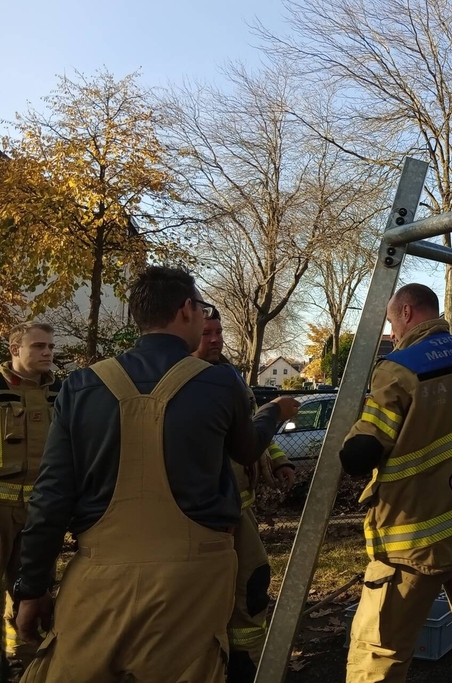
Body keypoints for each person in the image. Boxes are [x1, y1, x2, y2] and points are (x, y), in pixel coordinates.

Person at [12, 266, 300, 683]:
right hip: (193, 583)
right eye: (201, 309)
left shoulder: (80, 386)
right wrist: (272, 414)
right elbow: (246, 450)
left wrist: (33, 586)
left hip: (98, 578)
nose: (204, 320)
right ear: (186, 309)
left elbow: (51, 495)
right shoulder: (221, 383)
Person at [339, 283, 452, 683]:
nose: (391, 333)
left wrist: (352, 436)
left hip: (410, 538)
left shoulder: (398, 368)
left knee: (378, 652)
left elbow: (363, 451)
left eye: (391, 321)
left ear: (406, 313)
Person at [191, 307, 296, 683]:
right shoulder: (185, 386)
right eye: (207, 333)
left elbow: (253, 434)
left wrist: (280, 461)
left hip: (241, 513)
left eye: (219, 331)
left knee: (251, 588)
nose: (216, 338)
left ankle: (246, 666)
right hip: (205, 520)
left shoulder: (230, 377)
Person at [0, 322, 58, 677]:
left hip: (41, 513)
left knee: (31, 590)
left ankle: (22, 658)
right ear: (15, 349)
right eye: (38, 346)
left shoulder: (61, 394)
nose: (48, 353)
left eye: (51, 347)